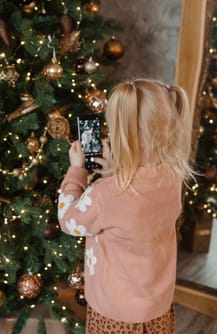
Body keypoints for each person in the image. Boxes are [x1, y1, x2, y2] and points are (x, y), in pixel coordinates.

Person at [57, 79, 194, 333]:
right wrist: (112, 174)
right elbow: (135, 208)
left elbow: (69, 220)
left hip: (114, 314)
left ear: (123, 134)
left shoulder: (105, 193)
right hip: (157, 308)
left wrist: (76, 172)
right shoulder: (172, 176)